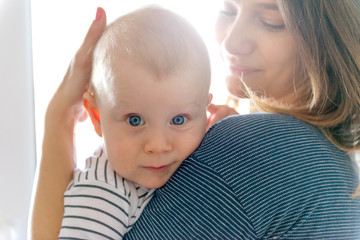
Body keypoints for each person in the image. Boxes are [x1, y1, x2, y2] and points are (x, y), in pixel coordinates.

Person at [30, 0, 360, 239]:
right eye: (227, 10)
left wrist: (59, 118)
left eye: (271, 20)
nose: (231, 41)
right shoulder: (337, 162)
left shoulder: (256, 151)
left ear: (327, 35)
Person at [57, 6, 211, 239]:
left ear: (205, 113)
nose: (158, 145)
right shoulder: (103, 194)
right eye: (135, 120)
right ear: (97, 117)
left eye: (179, 120)